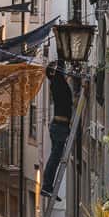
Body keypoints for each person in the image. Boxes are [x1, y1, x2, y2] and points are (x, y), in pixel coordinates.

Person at [43, 61, 74, 197]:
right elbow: (60, 66)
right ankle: (47, 186)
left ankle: (48, 186)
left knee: (55, 157)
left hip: (59, 127)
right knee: (55, 157)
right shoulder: (57, 82)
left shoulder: (57, 84)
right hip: (60, 127)